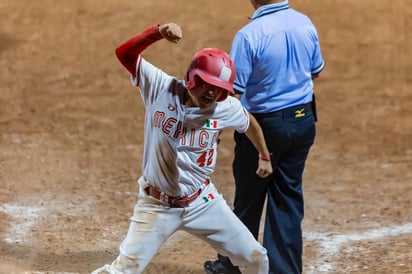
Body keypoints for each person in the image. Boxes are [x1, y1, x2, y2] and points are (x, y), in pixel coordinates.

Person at [91, 22, 274, 274]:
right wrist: (156, 33)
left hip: (202, 202)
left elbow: (249, 123)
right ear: (192, 78)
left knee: (256, 258)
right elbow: (125, 54)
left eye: (219, 90)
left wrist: (264, 155)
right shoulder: (160, 88)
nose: (211, 93)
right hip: (157, 204)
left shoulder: (225, 108)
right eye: (206, 84)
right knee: (122, 270)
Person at [204, 0, 325, 273]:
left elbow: (232, 90)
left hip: (263, 128)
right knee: (287, 198)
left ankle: (231, 266)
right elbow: (315, 69)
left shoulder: (250, 35)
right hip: (303, 122)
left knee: (248, 198)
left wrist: (215, 129)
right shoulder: (305, 22)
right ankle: (285, 270)